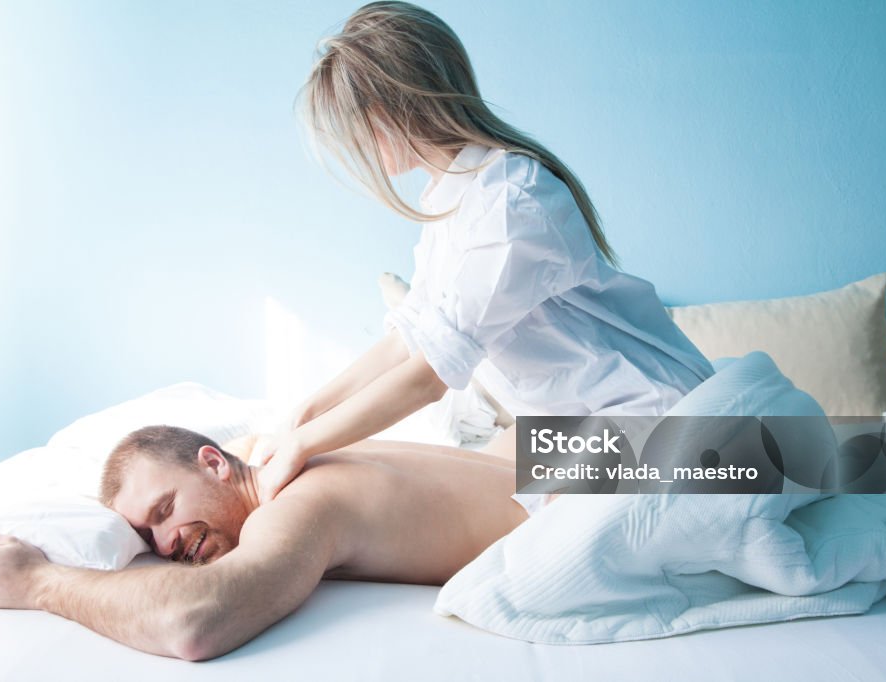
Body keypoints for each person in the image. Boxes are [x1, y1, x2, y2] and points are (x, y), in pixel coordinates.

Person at [251, 1, 714, 501]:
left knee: (408, 493)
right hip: (588, 427)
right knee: (395, 475)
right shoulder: (452, 198)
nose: (356, 142)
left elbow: (430, 376)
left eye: (356, 124)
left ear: (393, 107)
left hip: (657, 423)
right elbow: (409, 337)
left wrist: (300, 445)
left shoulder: (512, 199)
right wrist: (302, 417)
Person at [0, 425, 530, 661]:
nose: (166, 545)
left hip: (567, 499)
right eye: (145, 536)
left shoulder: (296, 507)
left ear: (214, 464)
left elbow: (196, 621)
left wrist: (37, 582)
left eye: (165, 510)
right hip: (554, 451)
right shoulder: (270, 455)